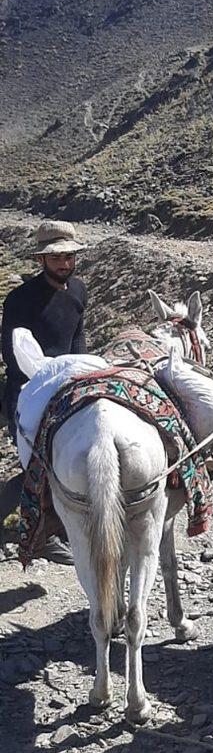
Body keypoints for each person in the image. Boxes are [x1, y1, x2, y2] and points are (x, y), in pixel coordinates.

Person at [1, 220, 87, 563]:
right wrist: (48, 380)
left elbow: (78, 338)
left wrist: (80, 372)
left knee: (67, 456)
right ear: (41, 260)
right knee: (39, 462)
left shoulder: (79, 290)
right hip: (29, 389)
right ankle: (45, 532)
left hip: (68, 382)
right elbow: (13, 354)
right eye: (56, 258)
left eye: (68, 256)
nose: (64, 264)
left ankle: (59, 524)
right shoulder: (21, 299)